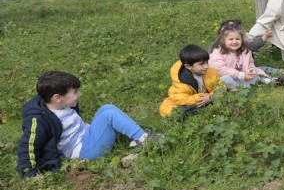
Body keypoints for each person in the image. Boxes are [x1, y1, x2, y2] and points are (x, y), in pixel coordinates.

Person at [17, 71, 161, 177]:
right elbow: (28, 146)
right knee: (108, 115)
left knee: (107, 108)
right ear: (57, 98)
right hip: (85, 151)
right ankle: (145, 139)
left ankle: (139, 136)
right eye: (75, 92)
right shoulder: (39, 120)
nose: (79, 95)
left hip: (87, 136)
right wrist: (29, 173)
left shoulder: (59, 105)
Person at [209, 23, 284, 89]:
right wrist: (240, 75)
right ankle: (239, 89)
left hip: (242, 78)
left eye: (237, 39)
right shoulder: (217, 52)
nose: (234, 42)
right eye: (231, 39)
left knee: (255, 74)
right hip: (229, 78)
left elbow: (250, 63)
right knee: (225, 79)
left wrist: (251, 71)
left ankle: (272, 81)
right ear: (223, 40)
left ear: (242, 39)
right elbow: (219, 69)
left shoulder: (245, 50)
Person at [160, 45, 222, 117]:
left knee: (223, 97)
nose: (206, 66)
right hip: (193, 102)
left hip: (207, 98)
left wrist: (211, 97)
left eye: (206, 62)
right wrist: (201, 99)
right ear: (188, 66)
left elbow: (220, 86)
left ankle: (204, 110)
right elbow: (180, 98)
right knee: (175, 111)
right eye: (201, 64)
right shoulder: (182, 79)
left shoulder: (211, 72)